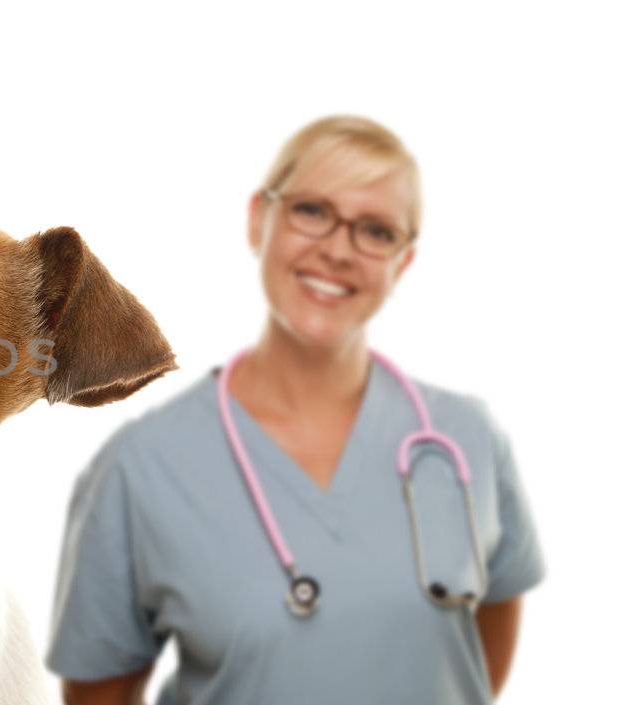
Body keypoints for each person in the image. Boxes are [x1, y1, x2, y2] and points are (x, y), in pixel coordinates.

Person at [46, 116, 543, 704]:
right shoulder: (140, 466)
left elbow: (481, 652)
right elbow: (99, 692)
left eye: (377, 231)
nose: (337, 249)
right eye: (312, 211)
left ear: (402, 262)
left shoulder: (469, 439)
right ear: (260, 220)